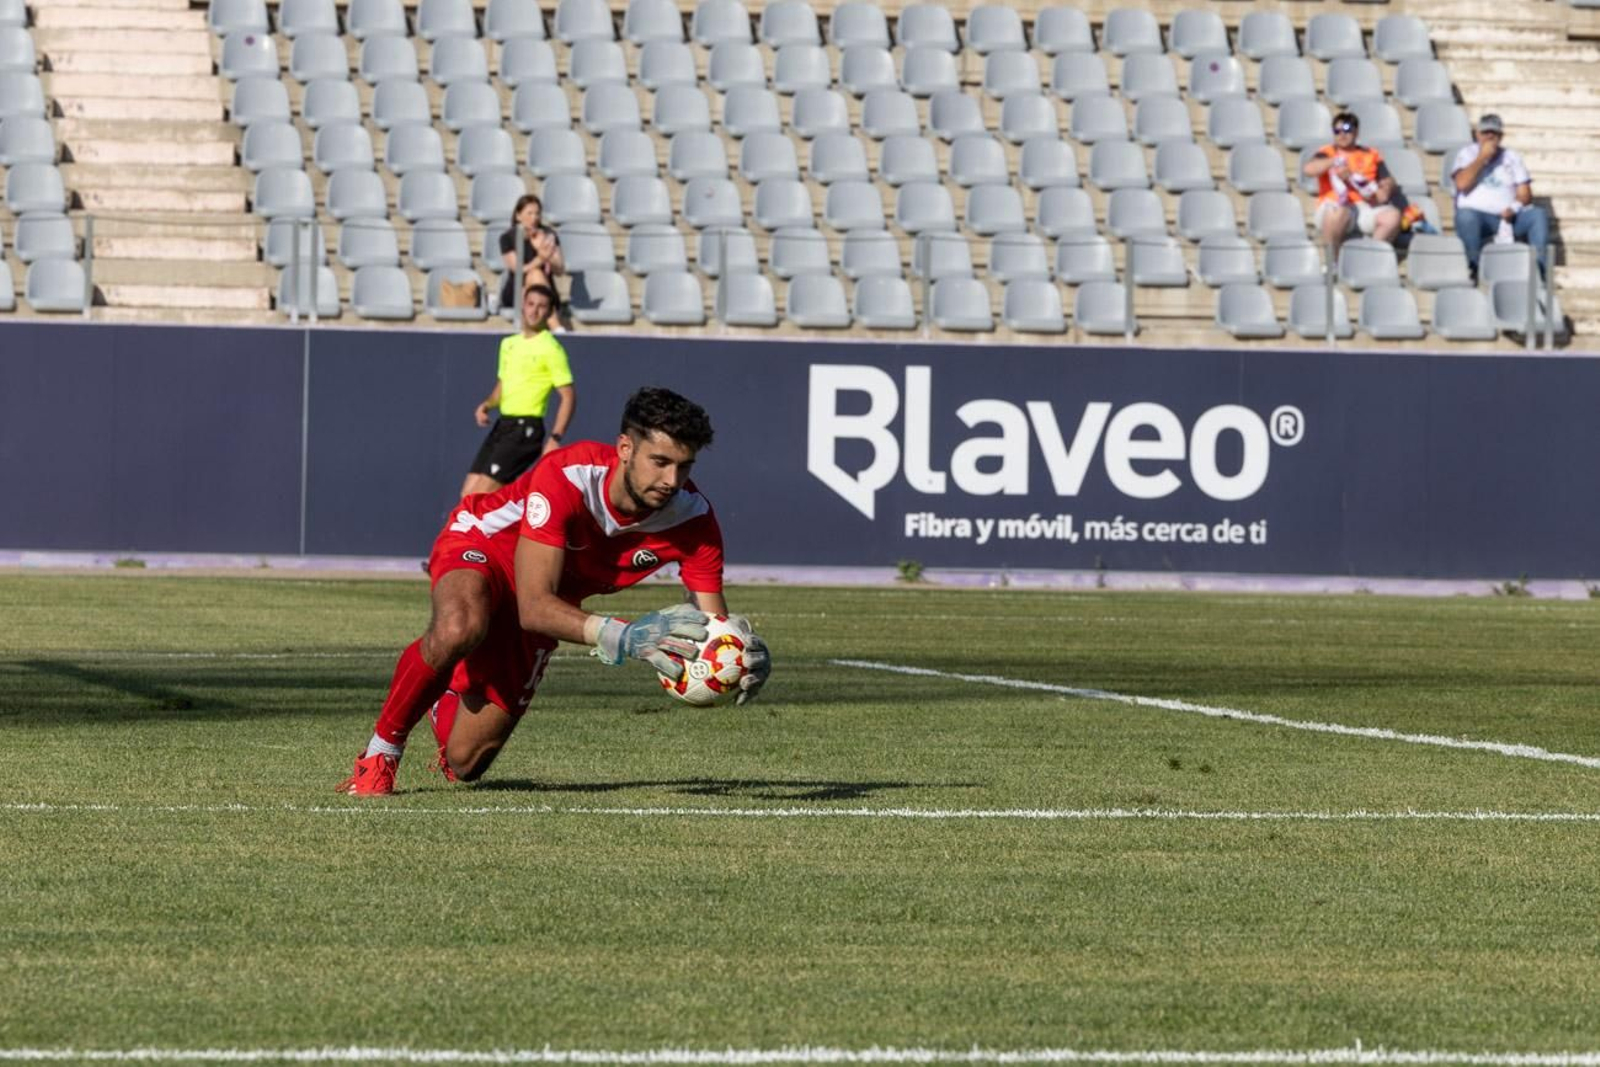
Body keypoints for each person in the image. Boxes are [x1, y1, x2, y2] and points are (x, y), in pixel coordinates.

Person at [338, 387, 772, 797]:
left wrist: (737, 654)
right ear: (625, 448)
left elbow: (712, 624)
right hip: (485, 547)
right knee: (459, 627)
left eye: (684, 466)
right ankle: (380, 754)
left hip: (551, 597)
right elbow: (533, 607)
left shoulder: (694, 521)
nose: (672, 479)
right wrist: (625, 636)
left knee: (466, 763)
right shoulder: (569, 475)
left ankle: (448, 689)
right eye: (660, 461)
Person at [459, 283, 575, 499]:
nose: (534, 311)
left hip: (526, 430)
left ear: (549, 312)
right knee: (467, 496)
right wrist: (487, 404)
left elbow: (568, 397)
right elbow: (502, 385)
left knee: (478, 499)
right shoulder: (509, 344)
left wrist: (555, 438)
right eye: (531, 304)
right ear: (523, 306)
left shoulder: (551, 348)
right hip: (503, 425)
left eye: (541, 306)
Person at [1449, 113, 1550, 280]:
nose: (1489, 136)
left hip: (1507, 217)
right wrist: (1482, 157)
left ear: (1501, 136)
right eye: (1485, 132)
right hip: (1477, 216)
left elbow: (1525, 193)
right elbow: (1461, 184)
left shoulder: (1512, 157)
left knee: (1537, 215)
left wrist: (1514, 208)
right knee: (1465, 216)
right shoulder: (1466, 154)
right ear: (1477, 135)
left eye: (1494, 133)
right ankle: (1473, 266)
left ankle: (1541, 270)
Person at [1303, 112, 1401, 262]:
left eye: (1347, 129)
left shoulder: (1371, 154)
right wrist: (1333, 162)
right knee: (1337, 213)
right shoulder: (1327, 152)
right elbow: (1308, 169)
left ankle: (1368, 260)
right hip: (1335, 205)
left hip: (1364, 207)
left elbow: (1387, 180)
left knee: (1393, 216)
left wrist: (1387, 187)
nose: (1342, 134)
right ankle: (1333, 263)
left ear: (1356, 131)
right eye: (1337, 131)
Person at [498, 193, 564, 314]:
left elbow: (559, 270)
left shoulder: (549, 234)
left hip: (546, 288)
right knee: (535, 273)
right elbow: (518, 271)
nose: (534, 218)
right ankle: (551, 321)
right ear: (518, 216)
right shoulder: (507, 238)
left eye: (537, 213)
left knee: (536, 275)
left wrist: (546, 254)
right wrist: (541, 258)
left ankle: (545, 317)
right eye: (529, 213)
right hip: (517, 290)